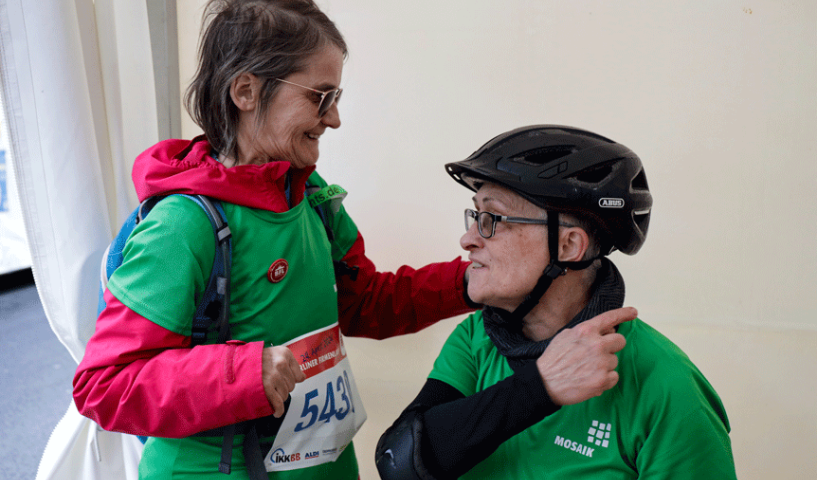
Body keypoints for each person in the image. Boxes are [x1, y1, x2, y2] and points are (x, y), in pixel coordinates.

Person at [72, 1, 481, 478]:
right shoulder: (183, 225)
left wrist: (472, 282)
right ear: (246, 90)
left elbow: (364, 302)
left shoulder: (310, 196)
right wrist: (245, 374)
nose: (334, 119)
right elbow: (104, 385)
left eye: (336, 97)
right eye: (319, 97)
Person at [375, 125, 737, 479]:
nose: (467, 239)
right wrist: (540, 387)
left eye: (492, 218)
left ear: (567, 246)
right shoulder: (476, 339)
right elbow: (396, 462)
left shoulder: (665, 385)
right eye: (474, 215)